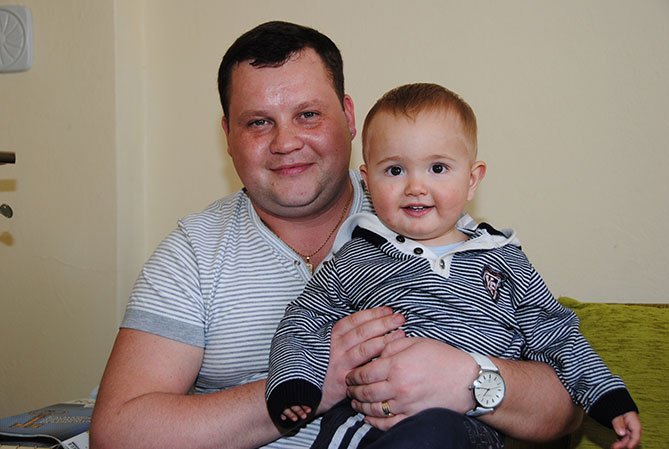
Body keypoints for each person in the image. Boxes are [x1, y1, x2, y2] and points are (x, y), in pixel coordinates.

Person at [90, 21, 583, 449]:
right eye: (258, 122)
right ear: (228, 136)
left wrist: (471, 380)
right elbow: (118, 432)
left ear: (348, 117)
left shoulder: (427, 218)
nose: (286, 143)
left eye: (308, 115)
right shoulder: (193, 254)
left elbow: (568, 407)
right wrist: (310, 386)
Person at [266, 83, 641, 449]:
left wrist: (607, 397)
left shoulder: (504, 259)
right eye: (395, 171)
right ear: (368, 181)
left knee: (441, 432)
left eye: (438, 167)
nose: (416, 186)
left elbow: (557, 335)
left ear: (472, 179)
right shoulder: (357, 257)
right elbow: (302, 320)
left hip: (471, 431)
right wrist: (294, 381)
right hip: (368, 424)